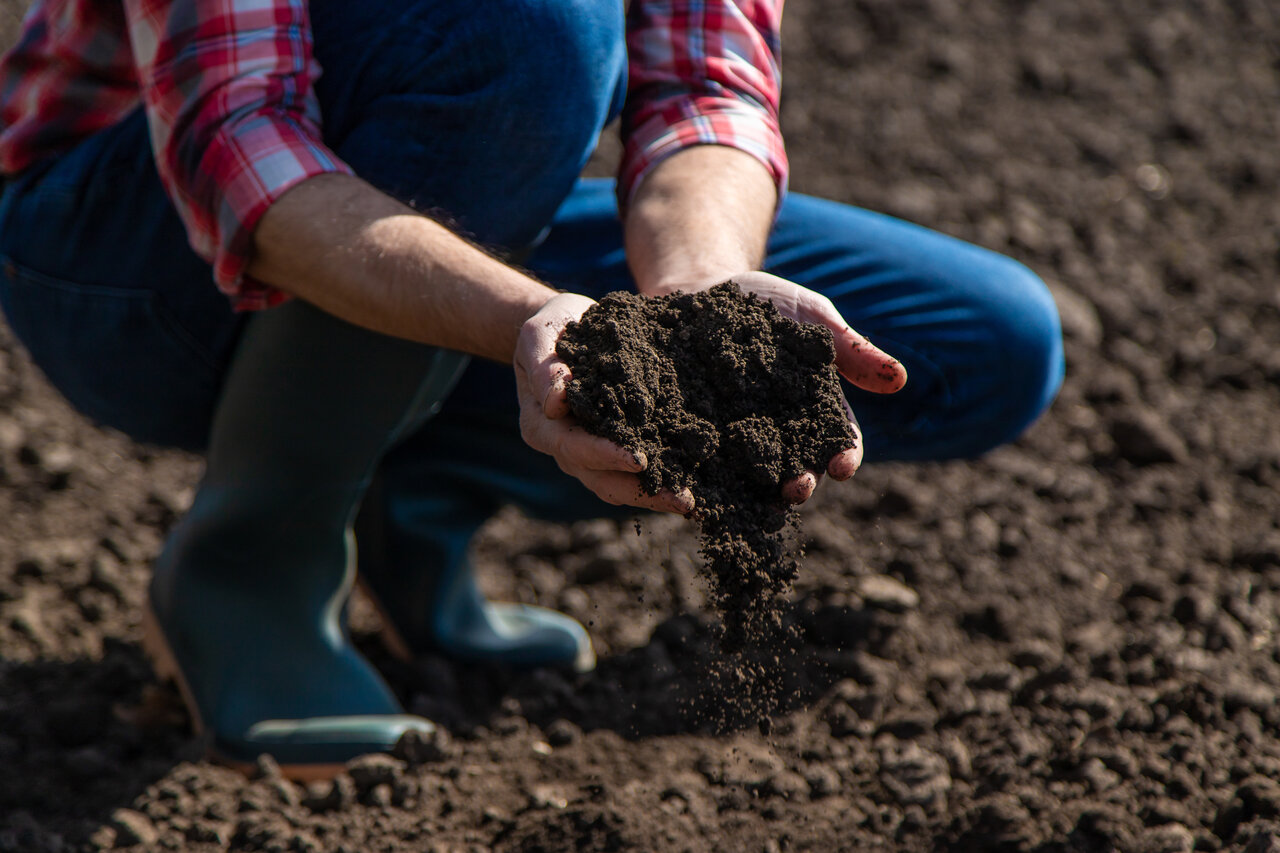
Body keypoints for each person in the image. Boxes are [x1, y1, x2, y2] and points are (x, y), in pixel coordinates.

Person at [0, 0, 1064, 778]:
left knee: (975, 344)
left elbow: (704, 89)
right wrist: (520, 322)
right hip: (125, 257)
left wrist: (693, 292)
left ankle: (405, 489)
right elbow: (238, 138)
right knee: (532, 30)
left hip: (405, 190)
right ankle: (250, 568)